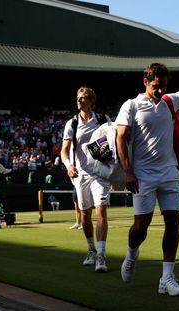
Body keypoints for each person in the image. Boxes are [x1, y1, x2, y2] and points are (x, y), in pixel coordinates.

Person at [115, 37, 179, 296]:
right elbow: (120, 137)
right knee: (139, 229)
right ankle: (132, 255)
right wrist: (128, 171)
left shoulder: (168, 102)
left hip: (169, 172)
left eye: (164, 86)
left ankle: (167, 279)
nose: (160, 90)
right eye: (156, 86)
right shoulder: (131, 106)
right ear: (145, 81)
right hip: (142, 175)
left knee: (173, 222)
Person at [60, 87, 111, 273]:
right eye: (78, 98)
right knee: (85, 216)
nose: (79, 101)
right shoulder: (71, 124)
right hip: (80, 175)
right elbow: (64, 150)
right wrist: (68, 166)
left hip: (100, 175)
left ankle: (101, 255)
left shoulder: (104, 120)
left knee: (101, 212)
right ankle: (91, 249)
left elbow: (113, 143)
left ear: (91, 101)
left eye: (83, 98)